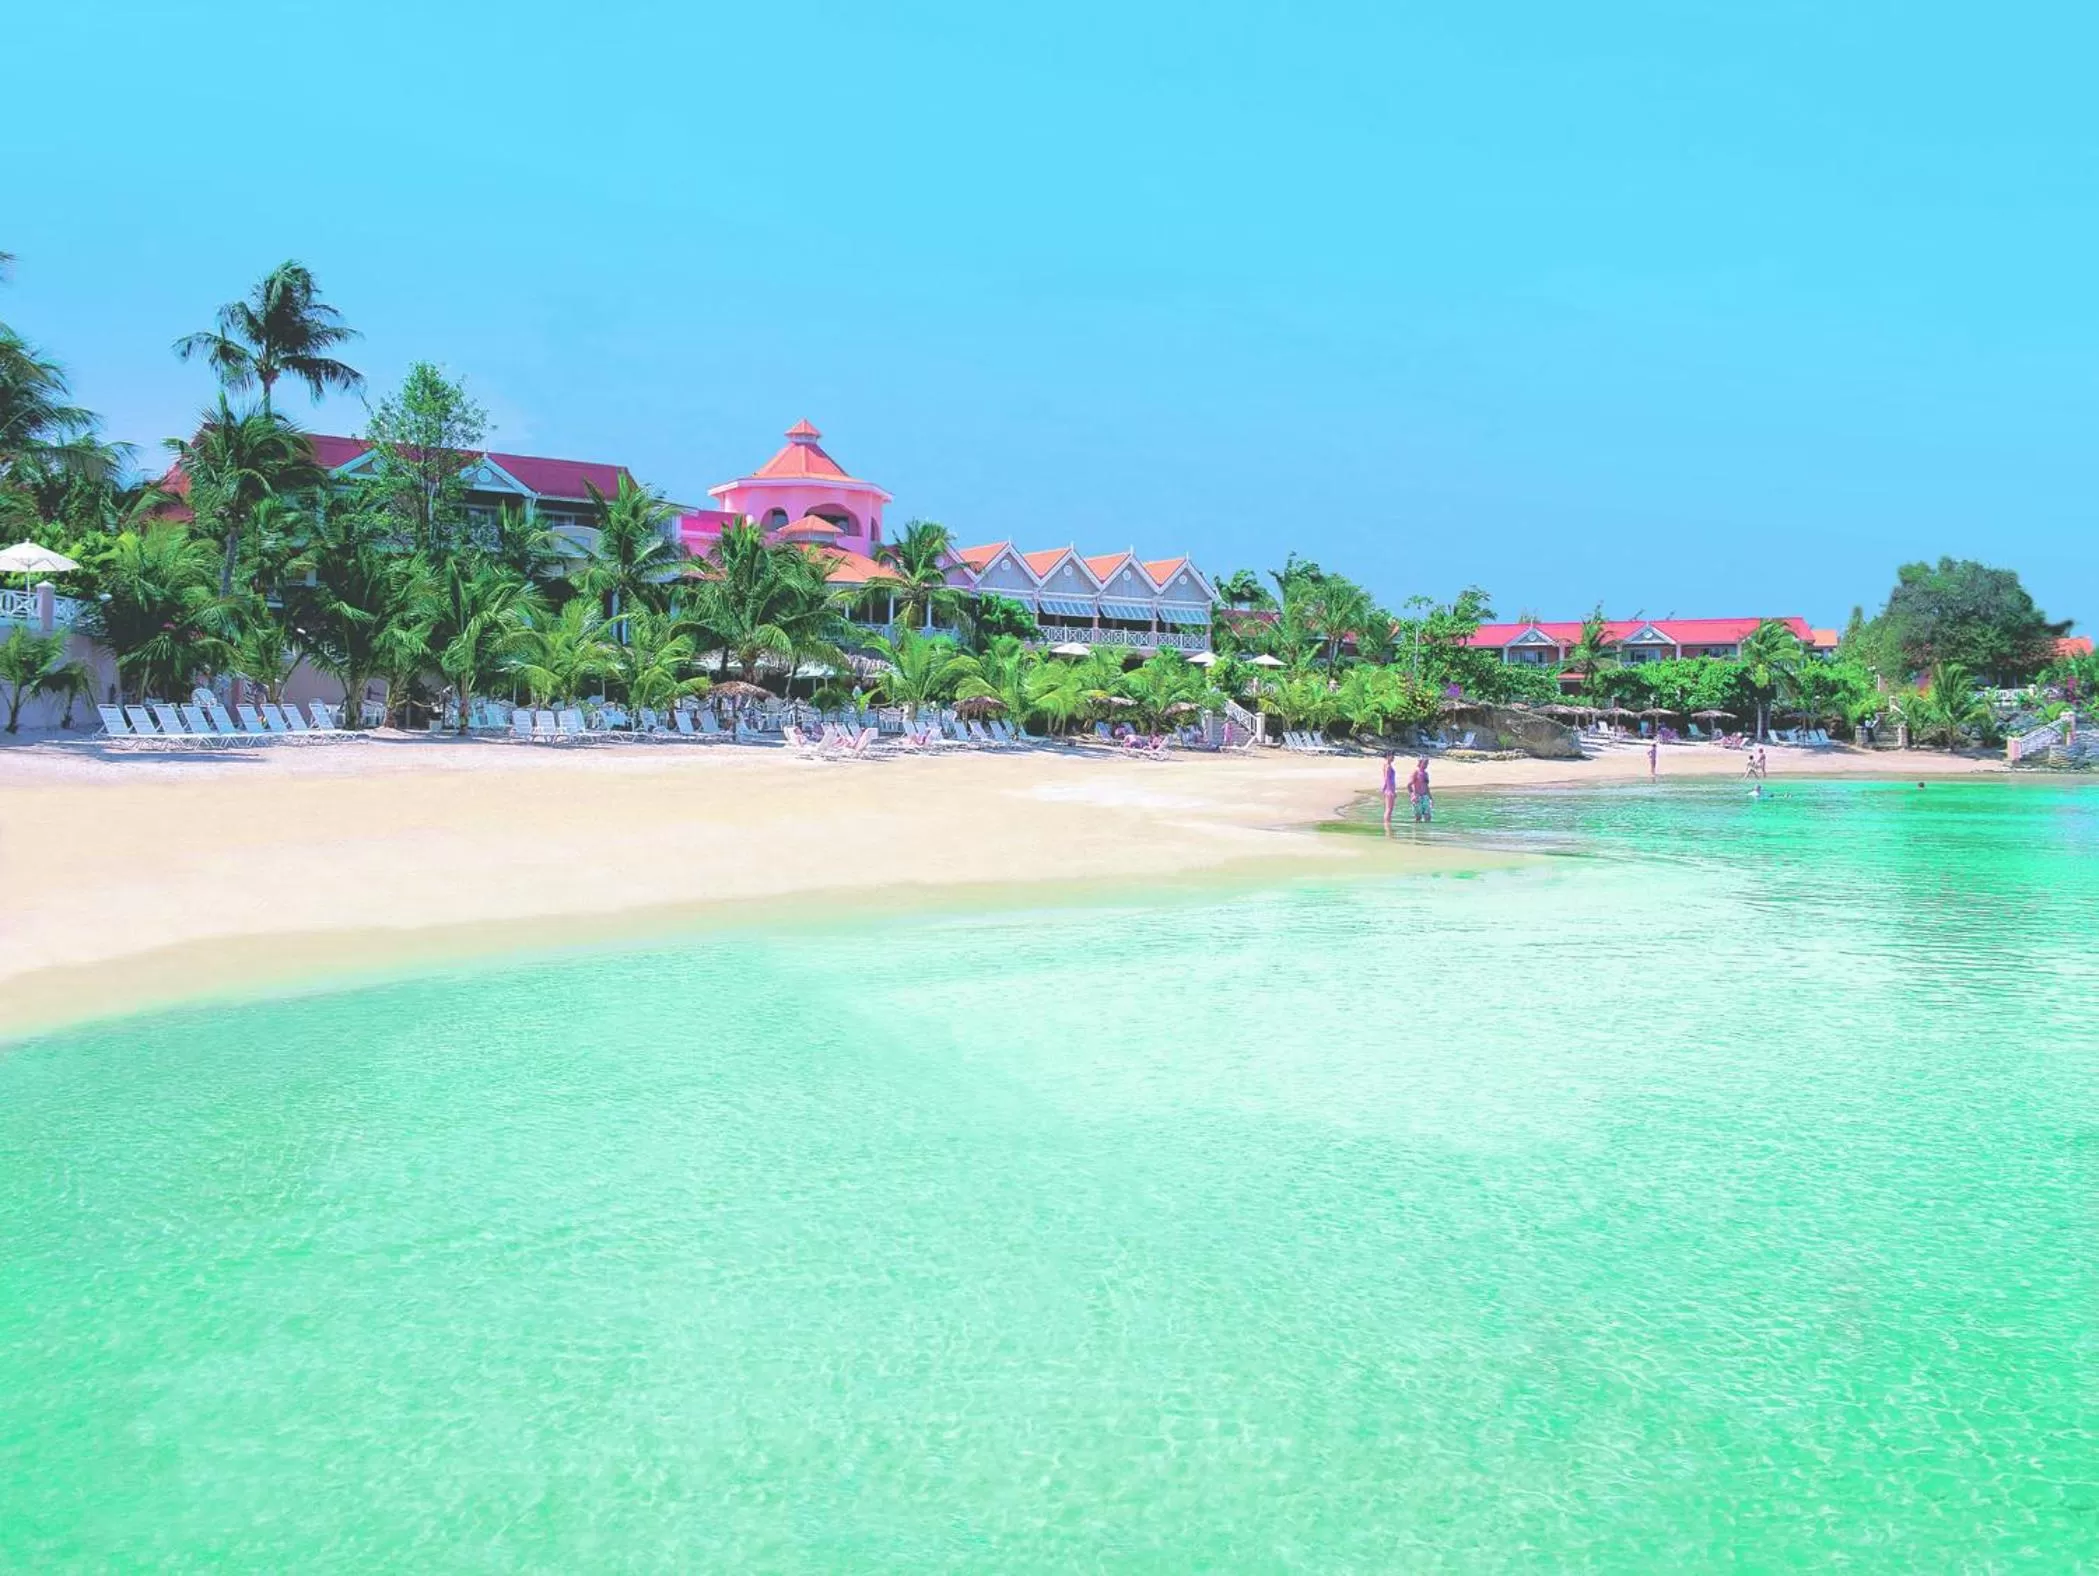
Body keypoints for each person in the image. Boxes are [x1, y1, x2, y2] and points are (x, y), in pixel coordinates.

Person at [1409, 756, 1433, 823]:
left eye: (1427, 763)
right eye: (1425, 763)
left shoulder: (1426, 774)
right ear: (1420, 763)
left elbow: (1427, 787)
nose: (1426, 765)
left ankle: (1426, 832)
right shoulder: (1416, 772)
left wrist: (1431, 798)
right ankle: (1417, 832)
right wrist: (1412, 795)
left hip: (1425, 797)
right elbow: (1409, 785)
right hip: (1417, 797)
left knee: (1428, 817)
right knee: (1418, 818)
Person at [1380, 752, 1398, 831]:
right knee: (1389, 809)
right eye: (1392, 756)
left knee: (1389, 808)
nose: (1393, 757)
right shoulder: (1387, 766)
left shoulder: (1387, 765)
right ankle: (1387, 826)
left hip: (1388, 789)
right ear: (1388, 756)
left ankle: (1387, 824)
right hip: (1389, 789)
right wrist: (1391, 791)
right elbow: (1387, 779)